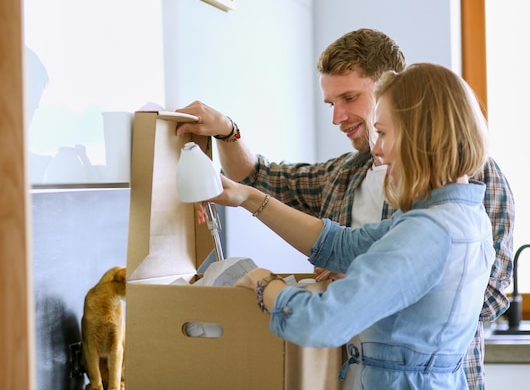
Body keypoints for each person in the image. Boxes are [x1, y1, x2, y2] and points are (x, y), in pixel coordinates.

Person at [175, 29, 515, 389]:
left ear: (418, 131)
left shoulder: (436, 224)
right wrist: (239, 171)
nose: (339, 118)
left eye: (350, 99)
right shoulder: (436, 205)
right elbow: (337, 242)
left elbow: (325, 318)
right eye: (331, 104)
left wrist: (362, 289)